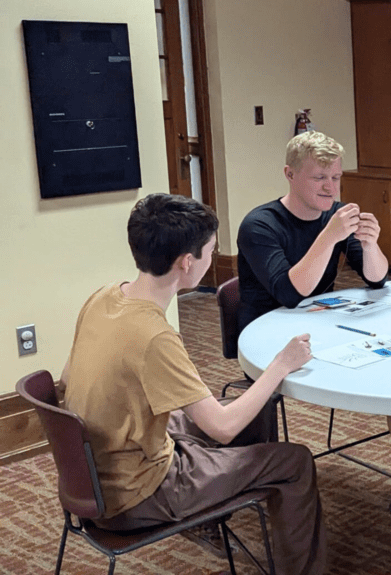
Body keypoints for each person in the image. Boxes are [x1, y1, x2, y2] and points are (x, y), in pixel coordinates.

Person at [62, 193, 325, 575]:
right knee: (295, 461)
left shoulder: (103, 296)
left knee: (251, 412)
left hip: (96, 471)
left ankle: (220, 507)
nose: (212, 259)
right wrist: (282, 364)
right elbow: (222, 427)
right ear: (187, 262)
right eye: (210, 252)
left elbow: (67, 381)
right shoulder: (154, 336)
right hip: (135, 496)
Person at [237, 130, 391, 528]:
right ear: (289, 175)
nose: (330, 188)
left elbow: (377, 277)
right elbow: (291, 292)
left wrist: (372, 243)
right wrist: (328, 237)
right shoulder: (260, 224)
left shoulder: (338, 214)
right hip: (268, 339)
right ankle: (248, 481)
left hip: (323, 325)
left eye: (336, 178)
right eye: (319, 178)